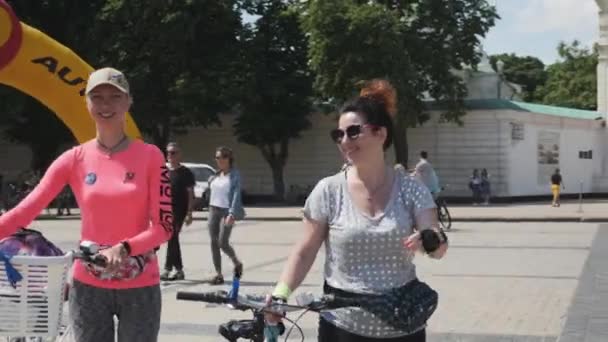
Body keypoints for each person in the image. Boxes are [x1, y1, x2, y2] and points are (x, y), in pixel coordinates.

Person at [0, 67, 173, 342]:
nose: (106, 105)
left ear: (128, 102)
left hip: (140, 285)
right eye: (98, 97)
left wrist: (124, 248)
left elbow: (164, 227)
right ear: (88, 104)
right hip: (88, 285)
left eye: (115, 97)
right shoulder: (74, 159)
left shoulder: (151, 157)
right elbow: (25, 211)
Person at [268, 79, 448, 341]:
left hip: (403, 324)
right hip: (342, 328)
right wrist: (280, 294)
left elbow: (436, 243)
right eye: (338, 135)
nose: (344, 141)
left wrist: (430, 239)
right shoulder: (328, 190)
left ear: (381, 133)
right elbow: (304, 251)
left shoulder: (411, 189)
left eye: (353, 132)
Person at [205, 146, 245, 285]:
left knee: (222, 242)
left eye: (222, 157)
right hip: (213, 209)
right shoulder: (215, 175)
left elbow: (236, 194)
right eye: (217, 157)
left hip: (226, 211)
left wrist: (232, 213)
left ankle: (236, 262)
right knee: (213, 242)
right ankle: (218, 274)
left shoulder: (234, 175)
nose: (219, 160)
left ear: (229, 159)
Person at [160, 142, 195, 281]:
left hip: (179, 210)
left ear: (179, 154)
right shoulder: (163, 171)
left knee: (172, 237)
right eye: (168, 152)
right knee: (171, 238)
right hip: (165, 209)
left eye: (173, 153)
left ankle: (170, 269)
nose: (170, 155)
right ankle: (178, 270)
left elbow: (191, 194)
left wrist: (189, 213)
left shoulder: (186, 173)